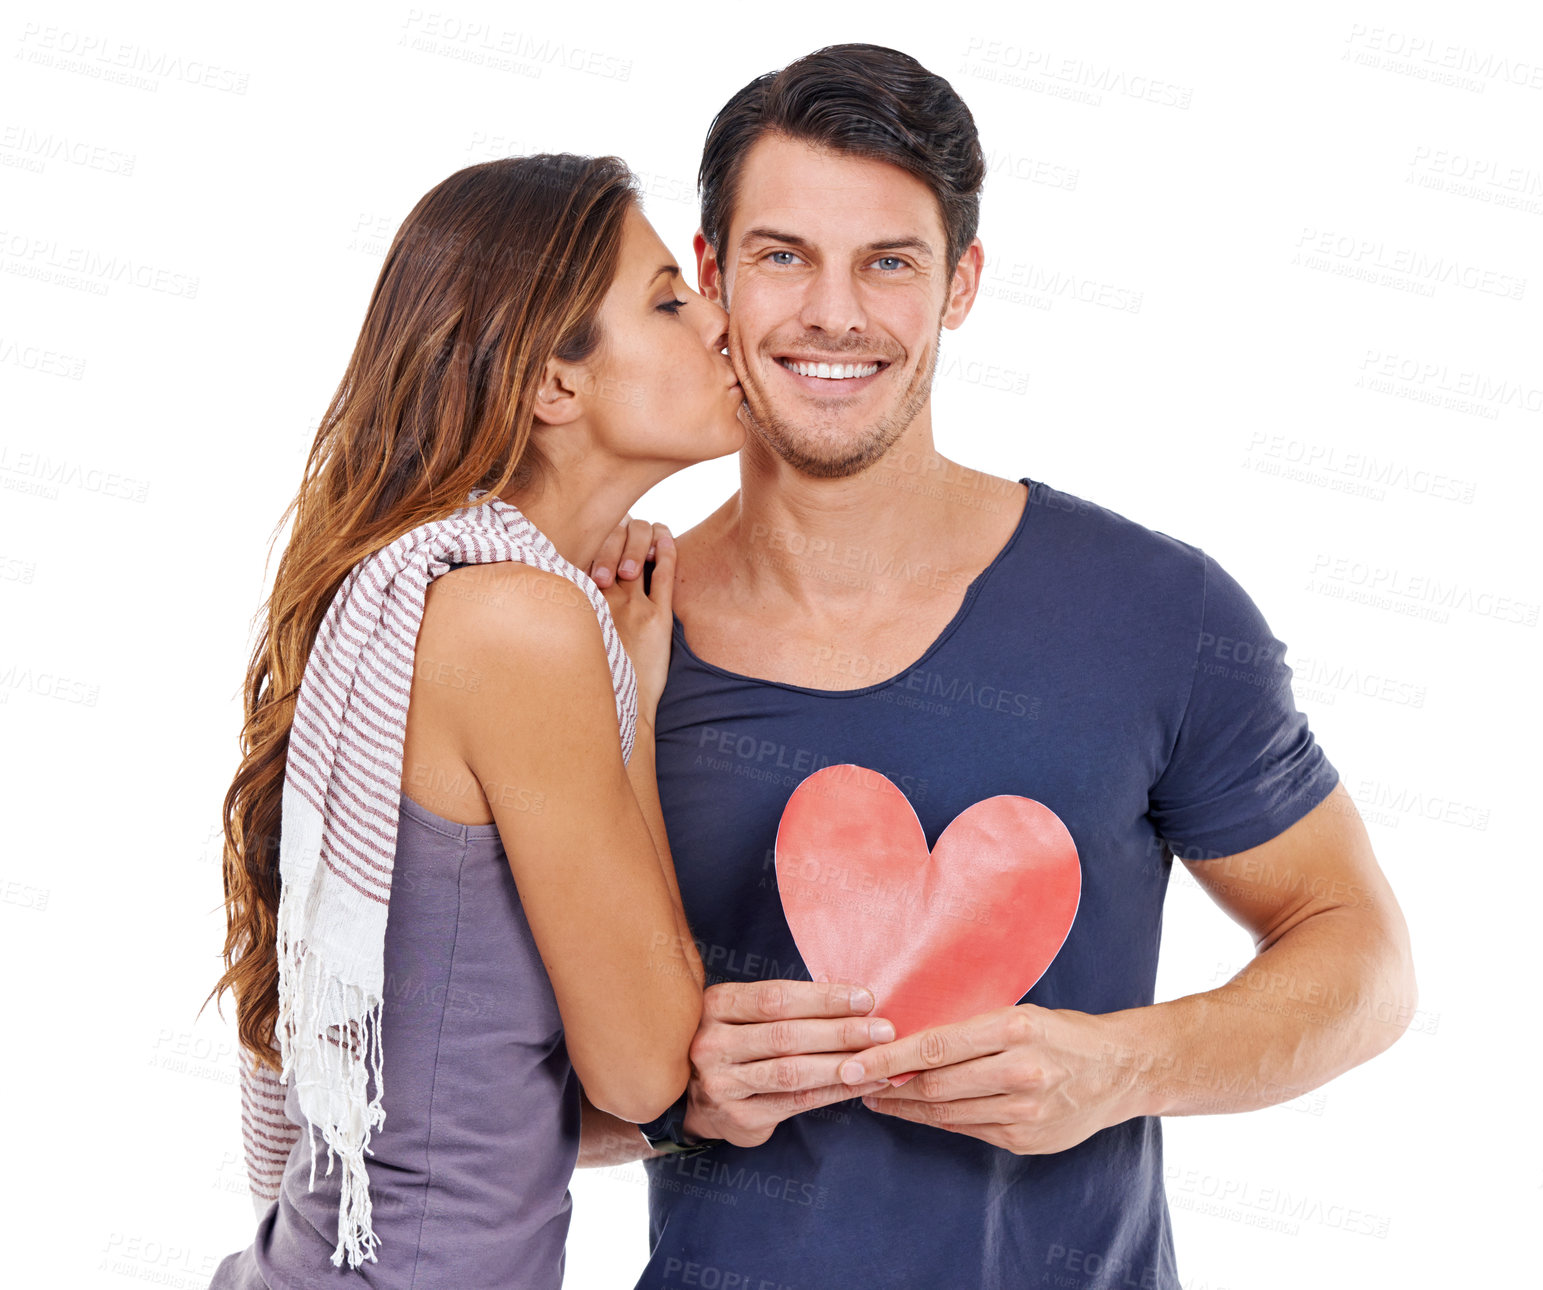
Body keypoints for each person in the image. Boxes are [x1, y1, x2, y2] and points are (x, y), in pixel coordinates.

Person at [581, 45, 1418, 1290]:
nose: (832, 314)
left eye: (888, 262)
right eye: (780, 256)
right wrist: (669, 1096)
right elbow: (476, 1082)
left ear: (960, 283)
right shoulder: (604, 633)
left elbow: (1362, 958)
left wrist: (1121, 1066)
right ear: (709, 279)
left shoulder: (1154, 612)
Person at [206, 153, 744, 1288]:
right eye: (665, 299)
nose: (718, 319)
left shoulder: (453, 597)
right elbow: (644, 1071)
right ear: (554, 383)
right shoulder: (514, 622)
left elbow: (483, 1088)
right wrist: (632, 713)